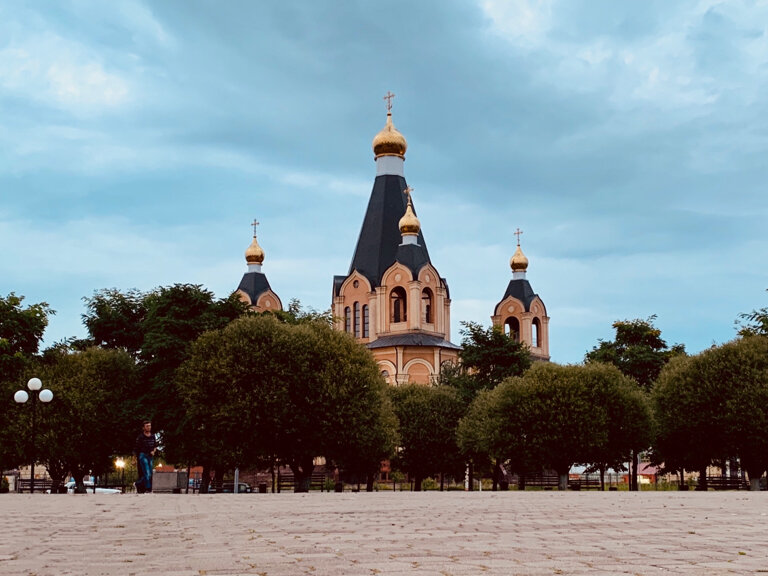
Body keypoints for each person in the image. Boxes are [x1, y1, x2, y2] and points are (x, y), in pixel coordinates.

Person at [134, 420, 157, 493]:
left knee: (150, 474)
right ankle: (148, 489)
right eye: (147, 426)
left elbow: (155, 446)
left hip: (150, 456)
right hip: (143, 455)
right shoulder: (141, 437)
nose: (149, 427)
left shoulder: (153, 436)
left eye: (150, 426)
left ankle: (137, 484)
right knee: (147, 472)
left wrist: (154, 451)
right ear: (143, 428)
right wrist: (134, 459)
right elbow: (136, 448)